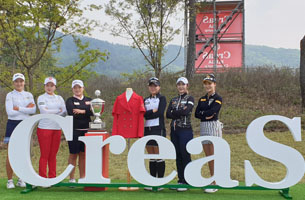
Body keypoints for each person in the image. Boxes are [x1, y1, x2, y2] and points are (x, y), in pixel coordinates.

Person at [4, 73, 36, 189]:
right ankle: (9, 180)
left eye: (21, 81)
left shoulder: (28, 95)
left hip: (26, 124)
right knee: (11, 153)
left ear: (24, 82)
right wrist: (26, 109)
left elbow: (33, 110)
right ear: (13, 83)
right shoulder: (10, 95)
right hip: (12, 124)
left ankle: (21, 178)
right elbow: (10, 112)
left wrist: (18, 108)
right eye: (16, 81)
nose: (19, 83)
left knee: (24, 153)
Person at [195, 74, 223, 193]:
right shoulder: (202, 98)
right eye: (206, 83)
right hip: (204, 127)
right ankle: (212, 179)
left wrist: (204, 112)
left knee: (213, 155)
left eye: (210, 83)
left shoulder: (218, 98)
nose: (207, 86)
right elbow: (197, 114)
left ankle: (215, 181)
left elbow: (213, 111)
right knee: (207, 156)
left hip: (213, 127)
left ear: (214, 84)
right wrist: (205, 113)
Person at [166, 77, 194, 192]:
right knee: (178, 155)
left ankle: (188, 180)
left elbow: (186, 112)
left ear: (187, 86)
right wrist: (178, 113)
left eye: (183, 84)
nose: (181, 87)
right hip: (174, 130)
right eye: (179, 84)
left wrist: (175, 113)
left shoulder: (190, 98)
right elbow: (168, 114)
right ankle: (180, 180)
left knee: (185, 154)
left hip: (185, 130)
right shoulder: (173, 99)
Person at [36, 77, 66, 181]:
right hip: (44, 128)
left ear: (55, 87)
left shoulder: (59, 98)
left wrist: (51, 110)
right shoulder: (41, 97)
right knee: (45, 154)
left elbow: (64, 111)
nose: (49, 87)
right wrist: (57, 110)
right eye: (47, 85)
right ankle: (43, 179)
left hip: (57, 128)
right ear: (44, 86)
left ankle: (52, 177)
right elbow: (44, 111)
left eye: (51, 85)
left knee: (53, 155)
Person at [66, 80, 93, 183]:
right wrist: (86, 111)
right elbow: (71, 112)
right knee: (73, 154)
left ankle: (82, 177)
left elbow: (93, 112)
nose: (77, 89)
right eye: (75, 88)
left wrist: (82, 111)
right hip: (74, 131)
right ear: (72, 89)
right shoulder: (70, 100)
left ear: (83, 88)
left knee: (83, 154)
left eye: (79, 87)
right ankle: (71, 178)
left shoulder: (89, 100)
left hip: (86, 131)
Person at [143, 77, 167, 191]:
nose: (153, 88)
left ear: (159, 87)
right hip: (147, 129)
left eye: (155, 86)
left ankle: (160, 181)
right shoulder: (145, 100)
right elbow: (143, 114)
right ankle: (152, 181)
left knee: (159, 155)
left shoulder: (162, 98)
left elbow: (160, 113)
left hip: (158, 128)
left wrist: (150, 113)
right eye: (151, 86)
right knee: (151, 156)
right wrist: (152, 112)